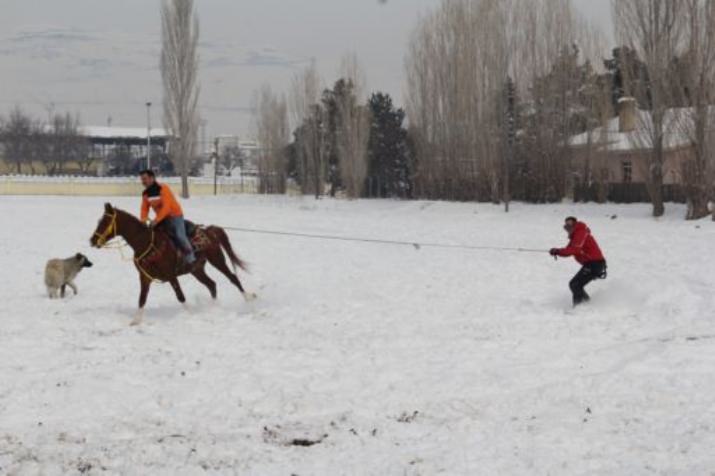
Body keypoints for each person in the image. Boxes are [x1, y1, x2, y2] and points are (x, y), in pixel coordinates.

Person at [139, 170, 196, 264]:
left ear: (152, 178)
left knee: (180, 236)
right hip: (162, 218)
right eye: (142, 179)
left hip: (175, 215)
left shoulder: (163, 188)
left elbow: (167, 207)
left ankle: (191, 258)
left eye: (145, 179)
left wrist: (156, 220)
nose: (143, 181)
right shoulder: (145, 194)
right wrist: (143, 220)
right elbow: (144, 209)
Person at [550, 217, 606, 307]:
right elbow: (568, 250)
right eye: (566, 225)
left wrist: (557, 251)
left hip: (595, 263)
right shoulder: (576, 235)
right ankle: (587, 305)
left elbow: (574, 249)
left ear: (575, 224)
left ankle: (579, 308)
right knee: (575, 284)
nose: (568, 226)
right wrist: (556, 251)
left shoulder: (581, 232)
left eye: (570, 224)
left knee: (575, 284)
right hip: (592, 264)